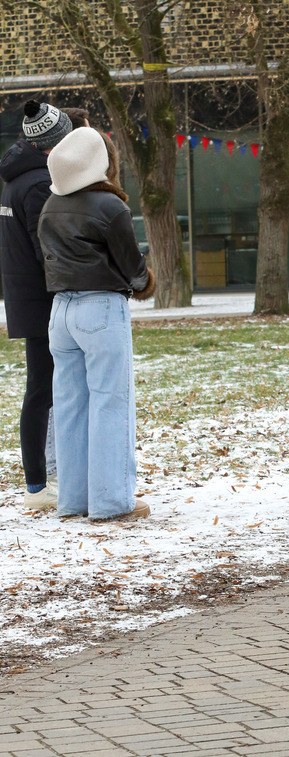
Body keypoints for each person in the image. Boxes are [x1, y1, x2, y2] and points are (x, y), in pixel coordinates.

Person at [37, 127, 154, 521]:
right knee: (110, 402)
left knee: (70, 406)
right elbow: (132, 267)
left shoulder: (50, 205)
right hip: (101, 308)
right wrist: (145, 282)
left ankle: (73, 499)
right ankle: (111, 501)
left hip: (61, 313)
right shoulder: (109, 206)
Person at [0, 99, 73, 509]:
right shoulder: (38, 184)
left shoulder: (16, 179)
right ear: (53, 143)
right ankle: (38, 484)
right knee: (43, 391)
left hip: (26, 299)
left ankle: (38, 482)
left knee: (40, 390)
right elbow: (46, 248)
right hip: (43, 302)